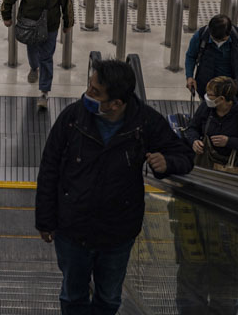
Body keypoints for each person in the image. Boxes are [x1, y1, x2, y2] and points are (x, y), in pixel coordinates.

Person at [36, 59, 195, 315]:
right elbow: (49, 168)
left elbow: (185, 156)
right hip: (73, 229)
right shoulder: (72, 118)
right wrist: (45, 220)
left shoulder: (145, 122)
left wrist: (168, 163)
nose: (87, 94)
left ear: (117, 104)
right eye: (89, 86)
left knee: (109, 298)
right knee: (72, 296)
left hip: (117, 234)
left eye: (95, 92)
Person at [1, 0, 74, 111]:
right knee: (32, 52)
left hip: (50, 27)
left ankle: (44, 92)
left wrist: (68, 23)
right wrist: (6, 15)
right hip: (29, 25)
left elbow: (66, 4)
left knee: (46, 57)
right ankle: (34, 68)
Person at [184, 76, 238, 168]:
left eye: (210, 95)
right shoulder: (205, 107)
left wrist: (229, 142)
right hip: (206, 162)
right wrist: (194, 140)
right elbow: (192, 128)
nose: (206, 97)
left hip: (232, 167)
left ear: (221, 99)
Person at [185, 14, 238, 104]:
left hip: (233, 90)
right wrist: (189, 76)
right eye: (215, 39)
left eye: (222, 40)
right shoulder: (201, 36)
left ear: (229, 33)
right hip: (207, 89)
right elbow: (190, 56)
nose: (218, 42)